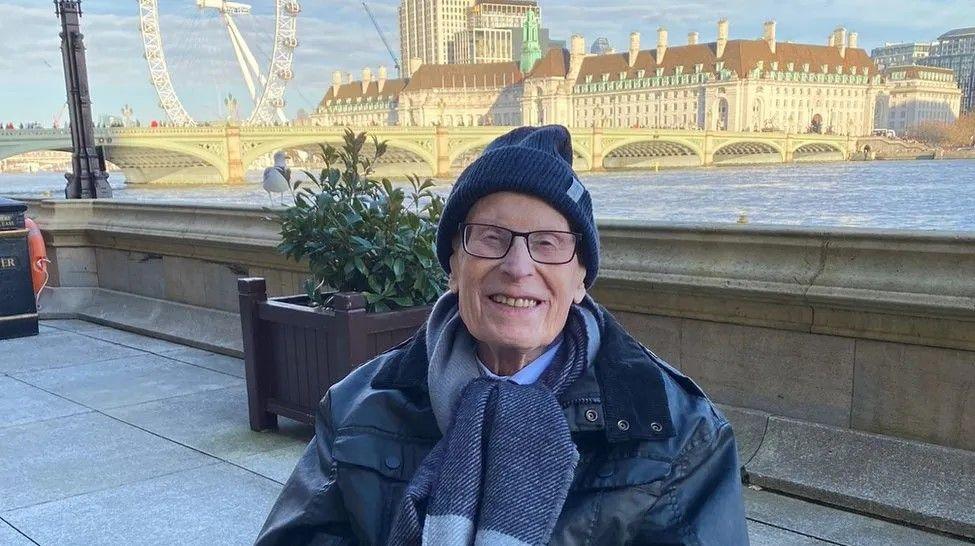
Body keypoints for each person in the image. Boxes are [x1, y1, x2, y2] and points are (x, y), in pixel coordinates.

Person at [256, 125, 749, 545]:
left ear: (581, 279)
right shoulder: (357, 407)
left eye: (548, 243)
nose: (518, 268)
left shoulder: (676, 432)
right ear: (454, 264)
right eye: (491, 238)